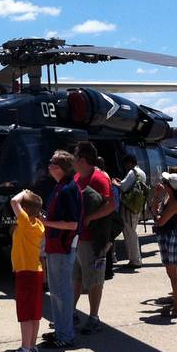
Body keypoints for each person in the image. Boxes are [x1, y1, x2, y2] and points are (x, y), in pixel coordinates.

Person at [72, 141, 115, 335]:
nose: (73, 160)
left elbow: (110, 205)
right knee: (76, 278)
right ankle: (71, 313)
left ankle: (94, 317)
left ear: (82, 159)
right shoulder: (78, 177)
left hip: (93, 239)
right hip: (79, 238)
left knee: (94, 280)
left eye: (75, 156)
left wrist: (90, 217)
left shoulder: (98, 179)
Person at [40, 150, 82, 350]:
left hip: (62, 247)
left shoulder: (68, 189)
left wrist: (47, 222)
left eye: (53, 164)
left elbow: (73, 224)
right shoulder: (60, 187)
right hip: (55, 245)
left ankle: (65, 335)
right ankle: (60, 330)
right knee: (56, 291)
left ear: (61, 168)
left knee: (62, 291)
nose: (49, 167)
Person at [3, 189, 46, 352]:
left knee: (25, 312)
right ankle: (32, 345)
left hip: (25, 272)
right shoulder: (39, 224)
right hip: (35, 270)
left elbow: (14, 202)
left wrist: (23, 192)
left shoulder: (26, 223)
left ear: (25, 210)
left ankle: (25, 348)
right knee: (34, 311)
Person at [152, 172, 177, 318]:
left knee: (173, 273)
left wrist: (156, 217)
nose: (163, 183)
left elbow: (160, 220)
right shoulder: (170, 198)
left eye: (166, 182)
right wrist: (157, 196)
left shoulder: (174, 203)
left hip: (169, 236)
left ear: (171, 187)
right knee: (171, 272)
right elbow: (155, 210)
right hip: (165, 235)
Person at [114, 155, 147, 269]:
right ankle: (135, 258)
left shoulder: (132, 172)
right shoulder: (142, 172)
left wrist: (114, 182)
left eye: (126, 164)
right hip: (136, 206)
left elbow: (123, 187)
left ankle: (135, 260)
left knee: (129, 233)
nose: (126, 166)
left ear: (129, 163)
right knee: (131, 231)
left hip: (129, 206)